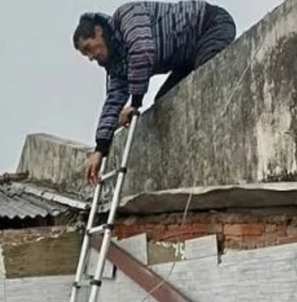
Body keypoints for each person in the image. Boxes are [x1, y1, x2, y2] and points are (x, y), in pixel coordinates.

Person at [74, 1, 237, 185]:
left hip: (209, 27)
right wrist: (100, 149)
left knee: (204, 83)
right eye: (85, 55)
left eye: (88, 48)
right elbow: (113, 101)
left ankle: (212, 158)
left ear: (98, 31)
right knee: (164, 103)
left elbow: (143, 51)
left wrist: (135, 105)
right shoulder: (117, 64)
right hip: (186, 58)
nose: (90, 57)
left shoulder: (127, 16)